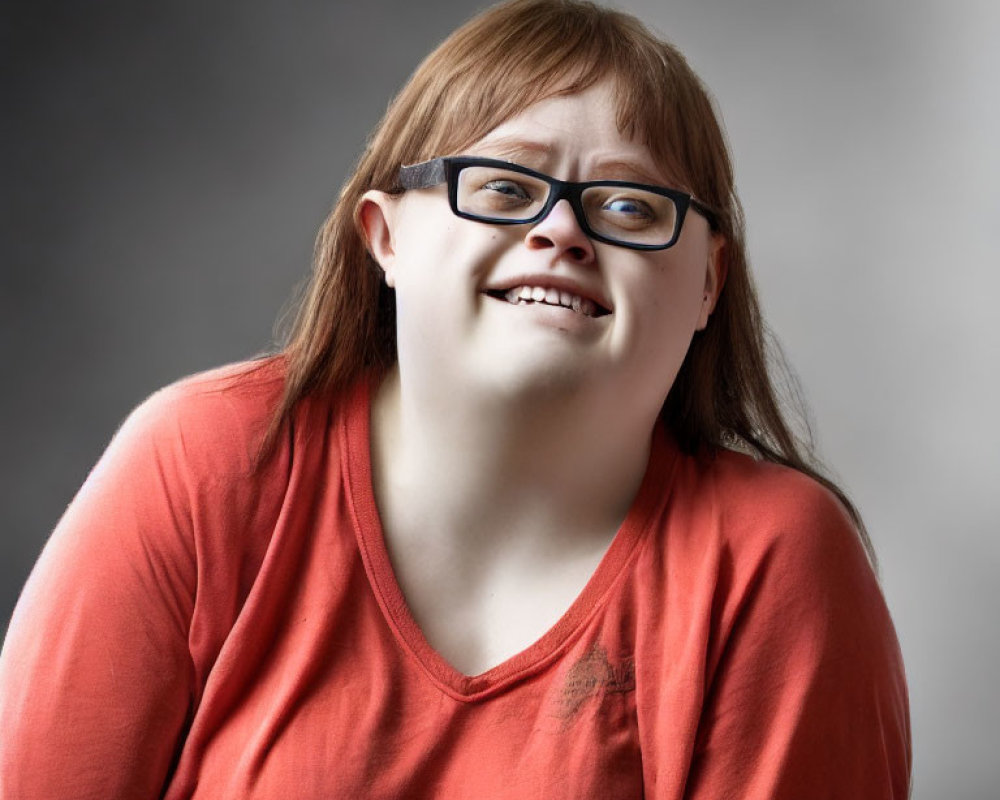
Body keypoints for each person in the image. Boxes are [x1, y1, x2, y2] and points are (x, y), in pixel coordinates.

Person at [0, 0, 910, 797]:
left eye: (630, 207)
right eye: (507, 187)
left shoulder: (778, 565)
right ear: (384, 236)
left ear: (709, 282)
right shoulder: (200, 461)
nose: (562, 230)